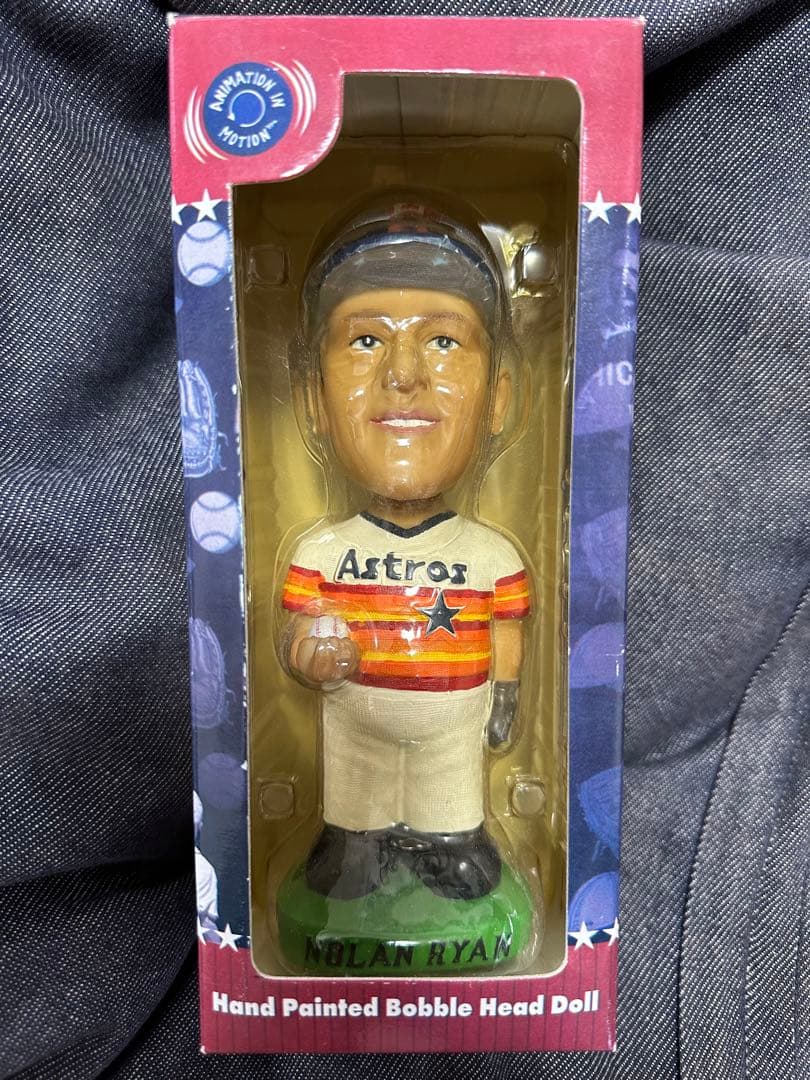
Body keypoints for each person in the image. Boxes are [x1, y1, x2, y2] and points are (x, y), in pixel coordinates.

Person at [280, 199, 531, 903]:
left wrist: (506, 696)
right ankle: (353, 841)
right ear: (313, 400)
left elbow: (507, 631)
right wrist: (309, 653)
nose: (403, 373)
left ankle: (452, 839)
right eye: (365, 339)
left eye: (444, 341)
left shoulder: (491, 555)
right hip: (353, 725)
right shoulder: (324, 550)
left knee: (448, 794)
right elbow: (301, 625)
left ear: (498, 399)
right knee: (354, 793)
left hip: (455, 727)